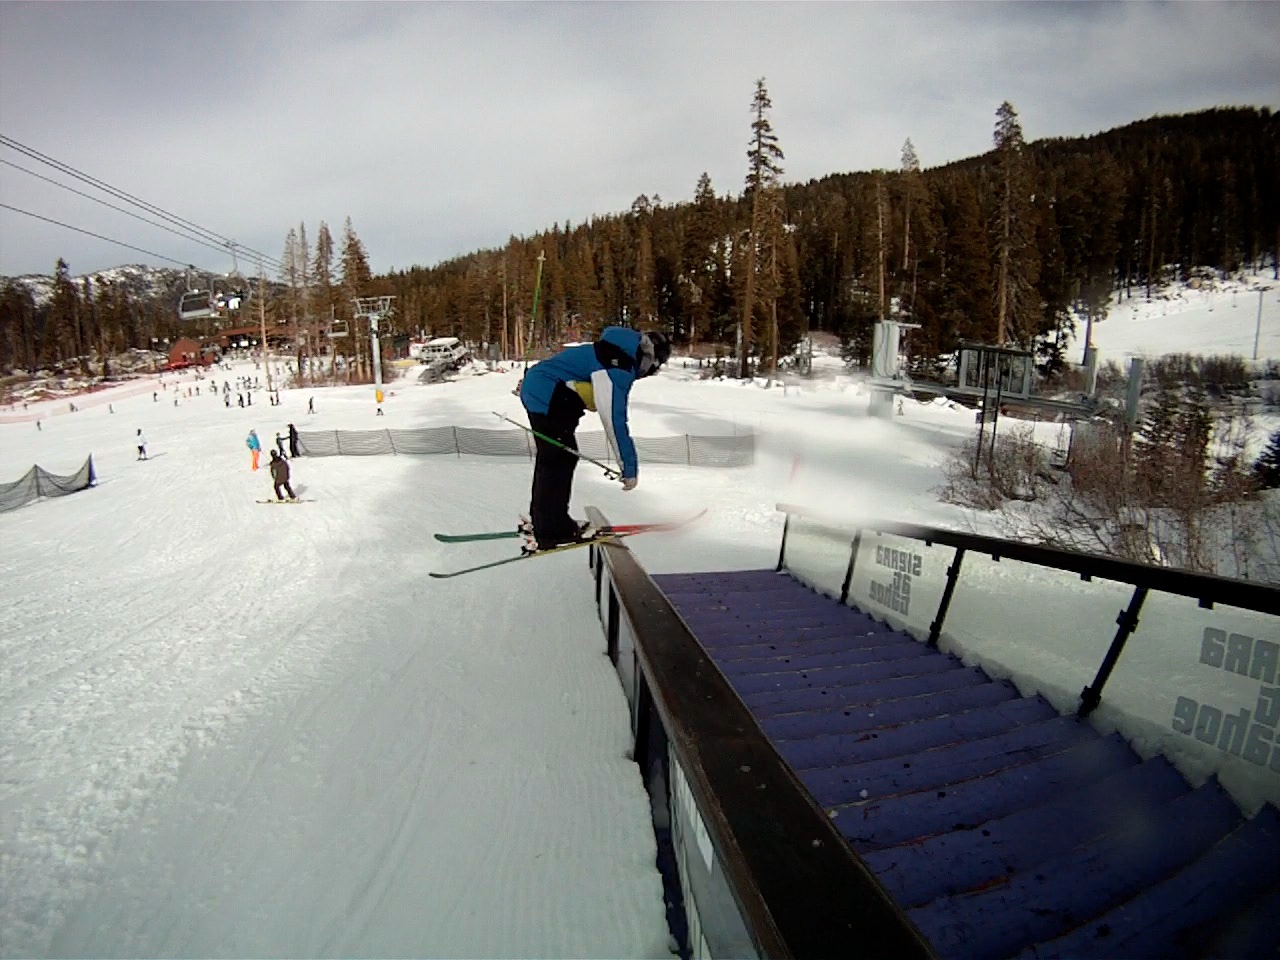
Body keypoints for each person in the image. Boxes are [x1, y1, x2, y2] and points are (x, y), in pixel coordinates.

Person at [518, 326, 669, 550]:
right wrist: (629, 468)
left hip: (541, 391)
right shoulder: (617, 365)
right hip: (548, 395)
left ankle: (545, 520)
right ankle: (551, 528)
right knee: (558, 458)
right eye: (653, 370)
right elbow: (615, 421)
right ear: (650, 360)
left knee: (555, 457)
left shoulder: (607, 351)